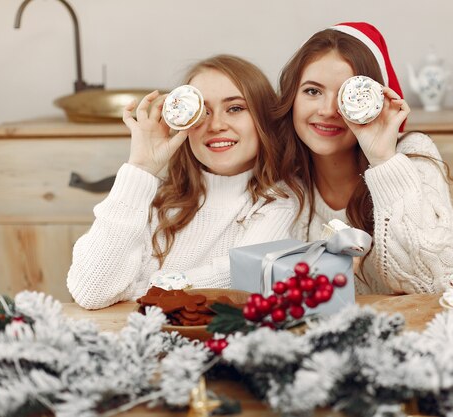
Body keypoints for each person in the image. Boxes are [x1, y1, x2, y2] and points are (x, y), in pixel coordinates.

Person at [68, 55, 296, 309]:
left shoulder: (278, 204)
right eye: (202, 112)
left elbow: (242, 280)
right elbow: (91, 290)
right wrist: (141, 167)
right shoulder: (155, 200)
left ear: (263, 119)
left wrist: (133, 289)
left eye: (235, 108)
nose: (216, 125)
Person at [275, 22, 453, 294]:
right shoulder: (283, 180)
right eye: (312, 91)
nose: (328, 110)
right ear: (292, 97)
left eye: (345, 95)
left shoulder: (412, 155)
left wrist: (384, 161)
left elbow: (452, 281)